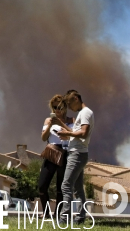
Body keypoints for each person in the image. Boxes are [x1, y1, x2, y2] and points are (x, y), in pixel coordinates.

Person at [56, 91, 94, 225]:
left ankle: (63, 219)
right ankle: (80, 218)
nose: (69, 107)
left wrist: (68, 133)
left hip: (77, 154)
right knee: (78, 188)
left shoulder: (85, 113)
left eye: (70, 103)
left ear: (76, 98)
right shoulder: (83, 113)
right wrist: (68, 135)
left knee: (66, 186)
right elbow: (78, 134)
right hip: (78, 153)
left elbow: (83, 133)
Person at [38, 95, 74, 216]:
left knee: (61, 188)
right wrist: (50, 125)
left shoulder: (71, 121)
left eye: (59, 107)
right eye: (54, 107)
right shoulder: (48, 120)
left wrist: (61, 123)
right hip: (50, 151)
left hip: (64, 153)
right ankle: (46, 212)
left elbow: (73, 136)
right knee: (42, 186)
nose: (57, 110)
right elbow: (43, 138)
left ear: (64, 107)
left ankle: (57, 214)